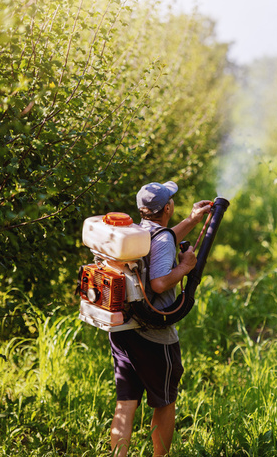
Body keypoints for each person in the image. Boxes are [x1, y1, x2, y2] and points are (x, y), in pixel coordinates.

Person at [108, 180, 211, 457]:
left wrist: (192, 219)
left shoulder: (138, 231)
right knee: (165, 402)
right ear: (167, 207)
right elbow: (159, 284)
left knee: (126, 402)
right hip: (153, 336)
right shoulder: (162, 239)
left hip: (123, 329)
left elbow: (163, 239)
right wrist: (187, 266)